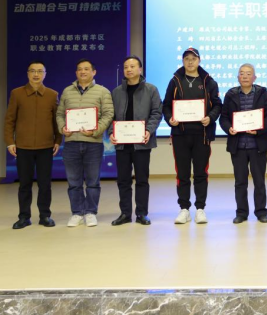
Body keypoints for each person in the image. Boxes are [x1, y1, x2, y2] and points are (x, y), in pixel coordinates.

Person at [162, 47, 222, 225]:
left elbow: (217, 105)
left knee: (201, 173)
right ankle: (184, 209)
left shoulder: (208, 81)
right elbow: (166, 105)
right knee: (182, 173)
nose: (190, 62)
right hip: (180, 134)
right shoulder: (175, 81)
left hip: (202, 135)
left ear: (199, 60)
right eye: (186, 59)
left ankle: (200, 208)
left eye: (193, 59)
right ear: (183, 61)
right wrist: (170, 119)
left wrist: (210, 117)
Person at [3, 61, 62, 229]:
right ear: (28, 73)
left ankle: (45, 216)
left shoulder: (52, 95)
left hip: (46, 147)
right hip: (23, 146)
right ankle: (24, 217)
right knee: (24, 184)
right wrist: (10, 142)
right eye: (33, 71)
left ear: (45, 74)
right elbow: (9, 120)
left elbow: (56, 121)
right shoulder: (17, 94)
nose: (36, 74)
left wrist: (58, 140)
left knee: (45, 184)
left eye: (40, 71)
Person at [56, 59, 114, 228]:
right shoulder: (67, 91)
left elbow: (108, 114)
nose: (83, 72)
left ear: (93, 72)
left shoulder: (103, 91)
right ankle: (77, 213)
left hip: (93, 143)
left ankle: (90, 212)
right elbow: (60, 114)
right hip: (71, 143)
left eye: (86, 69)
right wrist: (62, 128)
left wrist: (95, 131)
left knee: (92, 182)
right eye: (80, 69)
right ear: (76, 73)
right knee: (73, 182)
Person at [219, 63, 267, 224]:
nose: (245, 76)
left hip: (258, 145)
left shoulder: (264, 94)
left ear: (254, 77)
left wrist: (259, 129)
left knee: (259, 181)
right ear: (238, 77)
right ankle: (241, 213)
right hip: (238, 145)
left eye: (248, 73)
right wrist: (229, 128)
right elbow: (224, 117)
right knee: (240, 182)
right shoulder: (230, 94)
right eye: (242, 73)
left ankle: (261, 212)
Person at [109, 55, 162, 226]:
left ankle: (141, 213)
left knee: (142, 179)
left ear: (140, 69)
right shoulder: (116, 92)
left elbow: (156, 113)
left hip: (142, 143)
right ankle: (125, 213)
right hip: (122, 143)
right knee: (123, 180)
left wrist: (148, 130)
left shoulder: (151, 90)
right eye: (126, 67)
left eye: (132, 66)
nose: (129, 70)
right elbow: (110, 116)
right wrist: (111, 132)